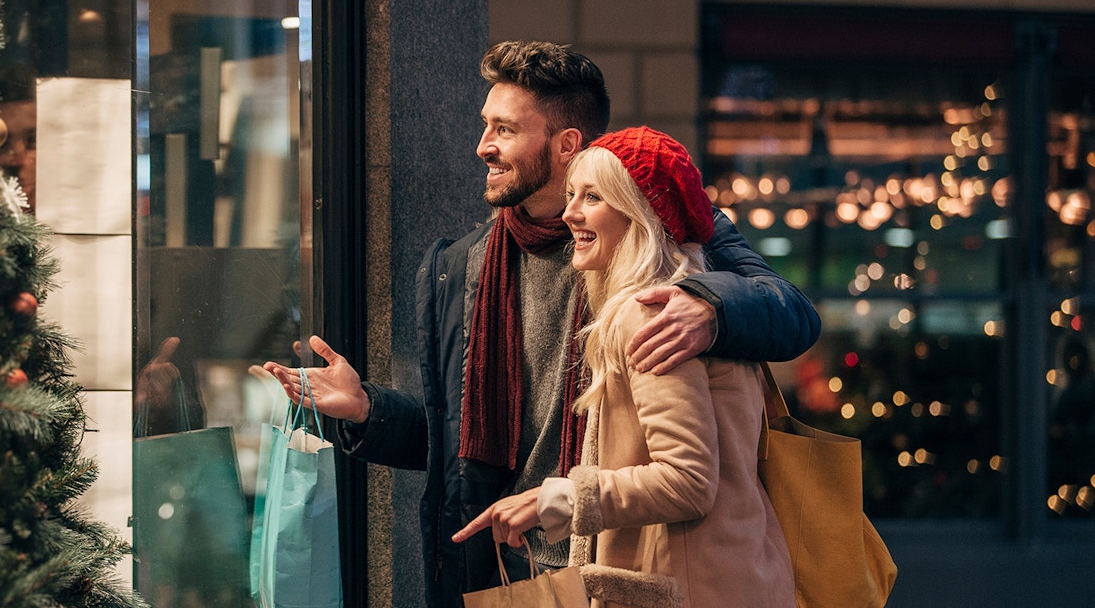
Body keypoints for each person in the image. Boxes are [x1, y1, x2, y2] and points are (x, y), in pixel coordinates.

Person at [264, 41, 817, 608]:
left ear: (565, 144)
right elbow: (461, 444)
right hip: (512, 568)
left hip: (625, 565)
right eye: (486, 126)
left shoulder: (663, 233)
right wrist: (366, 411)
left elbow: (792, 311)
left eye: (504, 130)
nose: (483, 147)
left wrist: (708, 304)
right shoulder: (461, 267)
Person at [454, 126, 794, 607]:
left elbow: (688, 481)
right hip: (729, 575)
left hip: (690, 589)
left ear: (639, 213)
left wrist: (553, 499)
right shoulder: (694, 301)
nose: (570, 213)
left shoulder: (650, 312)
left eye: (591, 197)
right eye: (572, 195)